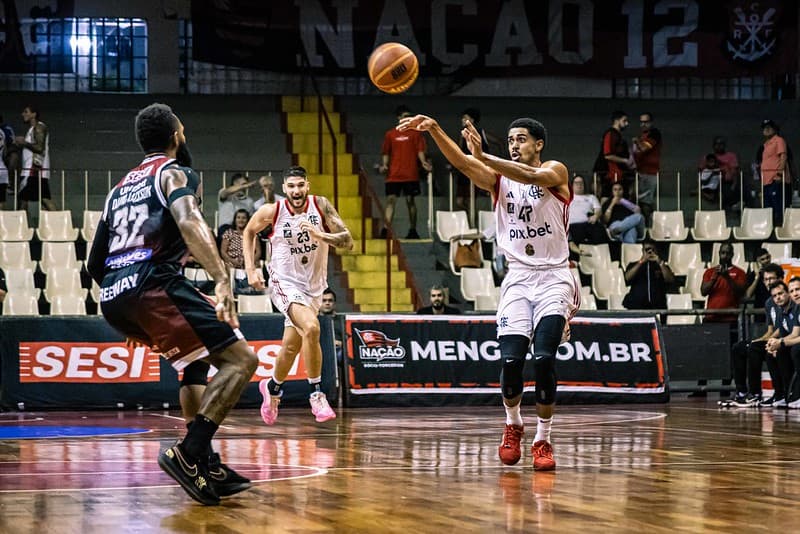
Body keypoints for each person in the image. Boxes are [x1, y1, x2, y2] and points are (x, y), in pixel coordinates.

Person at [86, 103, 258, 506]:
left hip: (116, 295)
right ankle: (190, 452)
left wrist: (128, 311)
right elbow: (188, 219)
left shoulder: (117, 189)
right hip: (154, 283)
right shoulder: (171, 172)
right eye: (182, 131)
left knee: (193, 363)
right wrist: (220, 278)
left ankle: (208, 465)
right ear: (177, 135)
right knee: (241, 361)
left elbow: (96, 262)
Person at [398, 112, 579, 471]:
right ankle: (513, 424)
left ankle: (543, 439)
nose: (514, 145)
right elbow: (463, 164)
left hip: (555, 277)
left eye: (521, 139)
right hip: (517, 278)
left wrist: (483, 156)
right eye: (510, 140)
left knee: (543, 359)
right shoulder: (499, 180)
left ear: (539, 144)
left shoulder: (556, 171)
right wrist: (435, 128)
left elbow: (529, 175)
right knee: (511, 362)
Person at [243, 165, 353, 425]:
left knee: (291, 346)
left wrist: (319, 234)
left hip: (314, 287)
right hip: (284, 283)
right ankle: (316, 393)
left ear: (308, 185)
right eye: (291, 186)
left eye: (300, 185)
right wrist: (250, 270)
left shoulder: (321, 206)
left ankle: (271, 388)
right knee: (313, 329)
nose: (296, 191)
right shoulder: (273, 211)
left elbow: (348, 241)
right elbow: (248, 231)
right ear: (284, 188)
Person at [730, 275, 785, 406]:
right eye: (766, 279)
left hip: (783, 340)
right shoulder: (769, 303)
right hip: (774, 338)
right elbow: (771, 330)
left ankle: (755, 394)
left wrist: (770, 341)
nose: (769, 282)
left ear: (781, 279)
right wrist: (758, 340)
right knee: (739, 347)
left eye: (772, 278)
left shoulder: (784, 300)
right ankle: (742, 392)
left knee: (754, 349)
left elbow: (784, 328)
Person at [378, 105, 432, 239]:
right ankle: (386, 230)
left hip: (411, 174)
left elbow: (420, 150)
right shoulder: (391, 134)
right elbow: (386, 152)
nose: (406, 119)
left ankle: (413, 230)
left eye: (409, 116)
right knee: (390, 201)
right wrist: (384, 165)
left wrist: (424, 162)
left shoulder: (416, 134)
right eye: (404, 116)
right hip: (394, 175)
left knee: (410, 201)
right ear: (399, 118)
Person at [454, 108, 500, 211]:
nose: (462, 119)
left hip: (477, 167)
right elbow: (459, 151)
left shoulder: (480, 132)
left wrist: (495, 161)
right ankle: (468, 218)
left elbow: (497, 141)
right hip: (465, 168)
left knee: (472, 199)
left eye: (465, 118)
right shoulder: (462, 134)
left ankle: (473, 221)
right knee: (459, 201)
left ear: (472, 120)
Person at [15, 105, 56, 213]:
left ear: (34, 114)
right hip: (33, 169)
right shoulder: (32, 129)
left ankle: (21, 225)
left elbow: (39, 148)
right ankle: (23, 225)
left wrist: (24, 143)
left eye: (26, 112)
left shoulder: (39, 127)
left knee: (24, 199)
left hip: (34, 169)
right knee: (42, 198)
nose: (23, 114)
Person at [766, 277, 800, 408]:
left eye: (798, 289)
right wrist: (777, 343)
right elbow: (795, 334)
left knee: (796, 350)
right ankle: (783, 394)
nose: (795, 293)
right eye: (792, 291)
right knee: (778, 351)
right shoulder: (798, 309)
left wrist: (782, 342)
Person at [593, 110, 634, 200]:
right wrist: (625, 161)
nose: (627, 123)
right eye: (624, 120)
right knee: (606, 196)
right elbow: (607, 155)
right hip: (608, 174)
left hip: (618, 174)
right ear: (616, 120)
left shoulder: (619, 136)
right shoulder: (610, 134)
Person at [622, 240, 674, 310]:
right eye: (647, 250)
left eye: (652, 250)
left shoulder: (662, 265)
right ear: (642, 251)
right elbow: (627, 278)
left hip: (657, 306)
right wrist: (641, 262)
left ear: (656, 250)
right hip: (636, 305)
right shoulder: (634, 265)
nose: (650, 252)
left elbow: (670, 279)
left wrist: (660, 262)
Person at [756, 119, 791, 225]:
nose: (766, 129)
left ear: (774, 129)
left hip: (775, 179)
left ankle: (779, 231)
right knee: (768, 208)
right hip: (766, 180)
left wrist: (779, 174)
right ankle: (769, 231)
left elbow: (783, 157)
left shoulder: (779, 140)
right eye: (764, 128)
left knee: (778, 208)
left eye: (769, 127)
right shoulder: (766, 144)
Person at [220, 209, 263, 294]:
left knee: (257, 265)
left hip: (249, 261)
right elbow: (223, 251)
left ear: (247, 220)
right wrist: (232, 261)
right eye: (238, 217)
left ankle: (254, 291)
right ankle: (232, 291)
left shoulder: (252, 233)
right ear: (235, 220)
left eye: (244, 218)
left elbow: (258, 252)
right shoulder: (229, 233)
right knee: (228, 266)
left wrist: (250, 262)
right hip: (232, 262)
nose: (241, 220)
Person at [631, 112, 661, 222]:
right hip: (639, 173)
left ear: (651, 123)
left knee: (646, 203)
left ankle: (650, 229)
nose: (643, 124)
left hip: (650, 173)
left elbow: (644, 148)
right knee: (637, 201)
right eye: (641, 122)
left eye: (646, 122)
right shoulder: (641, 136)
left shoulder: (654, 134)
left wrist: (637, 142)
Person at [700, 136, 739, 209]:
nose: (719, 146)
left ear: (724, 145)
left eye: (721, 144)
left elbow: (734, 172)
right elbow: (701, 172)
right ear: (713, 146)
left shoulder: (731, 156)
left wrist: (733, 184)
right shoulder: (708, 157)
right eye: (717, 144)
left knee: (729, 189)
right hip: (712, 181)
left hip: (726, 181)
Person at [567, 174, 606, 245]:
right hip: (572, 226)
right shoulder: (566, 197)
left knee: (600, 230)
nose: (579, 185)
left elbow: (598, 210)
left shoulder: (591, 197)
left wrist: (596, 216)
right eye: (576, 183)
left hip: (588, 224)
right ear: (572, 185)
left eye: (581, 183)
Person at [320, 287, 343, 360]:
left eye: (330, 300)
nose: (327, 303)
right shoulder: (313, 321)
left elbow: (349, 341)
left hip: (338, 351)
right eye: (324, 301)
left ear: (334, 303)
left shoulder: (342, 321)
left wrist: (341, 344)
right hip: (319, 351)